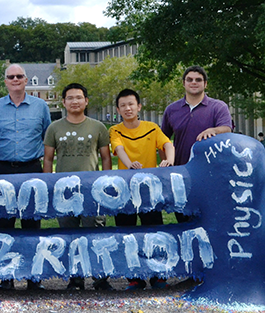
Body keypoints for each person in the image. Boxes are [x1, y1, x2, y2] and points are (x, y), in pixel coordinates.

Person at [0, 64, 50, 291]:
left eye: (19, 76)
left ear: (25, 80)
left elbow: (47, 138)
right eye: (10, 76)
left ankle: (34, 278)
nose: (15, 79)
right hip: (3, 170)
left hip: (31, 168)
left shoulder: (41, 107)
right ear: (5, 81)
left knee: (31, 225)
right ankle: (6, 278)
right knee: (5, 225)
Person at [43, 83, 112, 291]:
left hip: (92, 190)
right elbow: (48, 159)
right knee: (70, 235)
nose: (75, 101)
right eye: (70, 98)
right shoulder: (54, 128)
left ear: (86, 101)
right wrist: (49, 184)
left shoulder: (98, 126)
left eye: (79, 97)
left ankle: (100, 278)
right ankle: (76, 279)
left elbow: (106, 157)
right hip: (64, 191)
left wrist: (105, 183)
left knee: (96, 234)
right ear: (63, 102)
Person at [110, 88, 175, 291]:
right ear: (118, 110)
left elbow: (167, 144)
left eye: (131, 104)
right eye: (123, 105)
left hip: (150, 190)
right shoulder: (115, 130)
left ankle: (157, 275)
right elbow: (119, 149)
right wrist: (129, 165)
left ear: (139, 106)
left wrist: (169, 159)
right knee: (128, 233)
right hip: (125, 190)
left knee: (153, 230)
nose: (128, 108)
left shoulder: (152, 127)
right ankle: (134, 277)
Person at [161, 65, 232, 223]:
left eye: (198, 80)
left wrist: (214, 130)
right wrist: (167, 164)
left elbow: (227, 128)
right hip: (182, 175)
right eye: (190, 79)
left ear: (205, 84)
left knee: (210, 222)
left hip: (211, 176)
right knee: (184, 222)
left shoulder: (218, 107)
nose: (194, 82)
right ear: (184, 83)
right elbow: (163, 140)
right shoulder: (171, 110)